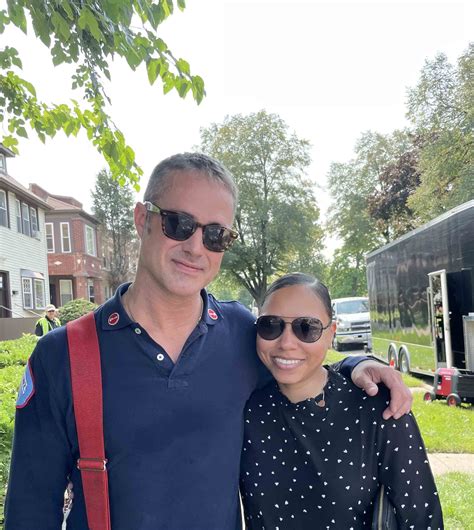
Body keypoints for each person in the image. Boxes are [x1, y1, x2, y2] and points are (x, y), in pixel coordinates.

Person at [5, 153, 412, 530]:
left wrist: (355, 365)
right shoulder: (64, 355)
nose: (196, 247)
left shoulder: (241, 333)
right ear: (142, 218)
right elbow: (29, 509)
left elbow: (295, 361)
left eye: (216, 235)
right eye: (178, 223)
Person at [240, 273, 443, 529]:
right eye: (271, 325)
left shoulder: (380, 410)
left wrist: (356, 363)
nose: (287, 343)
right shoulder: (247, 411)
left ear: (330, 333)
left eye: (307, 328)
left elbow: (423, 519)